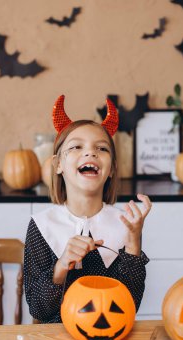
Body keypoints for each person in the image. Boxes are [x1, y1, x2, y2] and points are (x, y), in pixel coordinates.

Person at [24, 95, 152, 323]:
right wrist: (61, 265)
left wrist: (134, 242)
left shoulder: (126, 225)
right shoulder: (42, 225)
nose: (90, 153)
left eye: (101, 148)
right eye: (76, 146)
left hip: (109, 337)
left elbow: (130, 304)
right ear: (58, 165)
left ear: (111, 168)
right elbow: (37, 309)